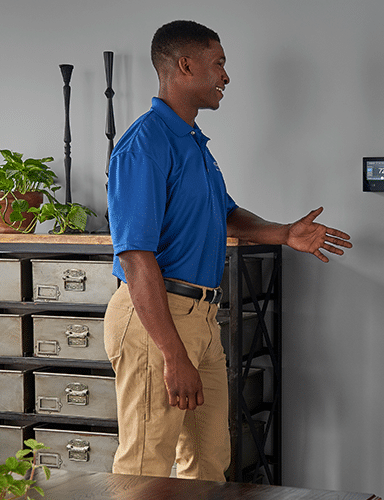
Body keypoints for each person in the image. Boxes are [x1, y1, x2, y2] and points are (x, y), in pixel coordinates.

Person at [105, 20, 352, 481]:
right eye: (218, 63)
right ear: (185, 65)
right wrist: (173, 354)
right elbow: (135, 257)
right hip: (156, 321)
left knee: (208, 463)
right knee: (144, 469)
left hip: (202, 317)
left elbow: (225, 214)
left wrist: (285, 233)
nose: (225, 76)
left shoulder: (194, 144)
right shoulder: (144, 145)